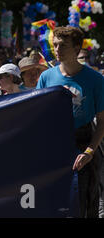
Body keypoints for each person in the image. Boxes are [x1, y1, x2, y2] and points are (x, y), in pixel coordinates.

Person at [36, 26, 104, 218]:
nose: (57, 49)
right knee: (57, 204)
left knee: (84, 203)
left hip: (84, 144)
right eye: (55, 45)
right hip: (54, 145)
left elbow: (102, 121)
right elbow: (39, 116)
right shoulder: (46, 77)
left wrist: (90, 151)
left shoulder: (95, 79)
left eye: (63, 45)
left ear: (76, 48)